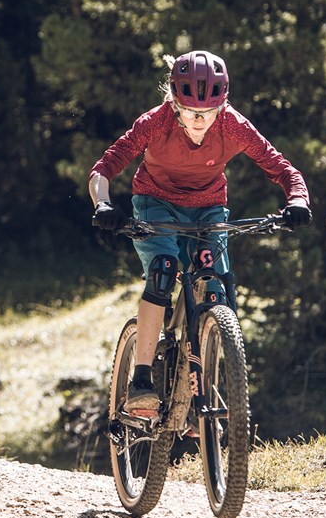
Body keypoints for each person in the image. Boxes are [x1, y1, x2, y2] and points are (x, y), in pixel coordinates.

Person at [87, 51, 311, 411]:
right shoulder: (154, 122)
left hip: (208, 210)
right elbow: (104, 167)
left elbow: (283, 169)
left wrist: (298, 200)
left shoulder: (234, 125)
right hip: (155, 205)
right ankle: (141, 379)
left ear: (222, 105)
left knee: (214, 286)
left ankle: (204, 388)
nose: (199, 121)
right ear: (174, 101)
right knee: (161, 270)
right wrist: (103, 204)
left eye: (208, 113)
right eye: (190, 111)